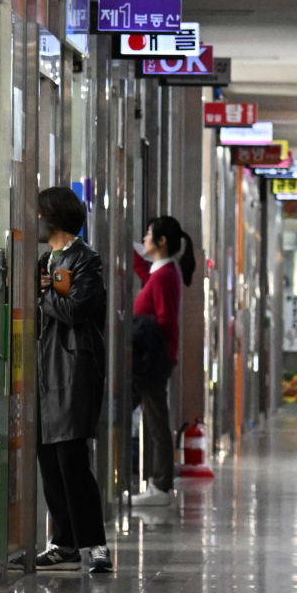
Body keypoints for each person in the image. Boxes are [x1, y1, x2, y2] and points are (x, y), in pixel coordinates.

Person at [34, 186, 112, 574]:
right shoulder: (43, 260)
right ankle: (64, 542)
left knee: (72, 459)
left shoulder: (87, 260)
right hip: (42, 371)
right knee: (49, 460)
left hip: (72, 370)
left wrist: (44, 296)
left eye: (39, 213)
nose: (34, 219)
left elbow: (78, 309)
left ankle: (96, 544)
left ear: (53, 218)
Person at [132, 215, 195, 502]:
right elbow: (147, 279)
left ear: (161, 241)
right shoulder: (162, 273)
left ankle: (161, 485)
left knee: (157, 420)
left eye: (148, 235)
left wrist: (143, 332)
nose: (144, 239)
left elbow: (165, 320)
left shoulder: (166, 275)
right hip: (153, 359)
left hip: (153, 361)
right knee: (149, 416)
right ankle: (157, 481)